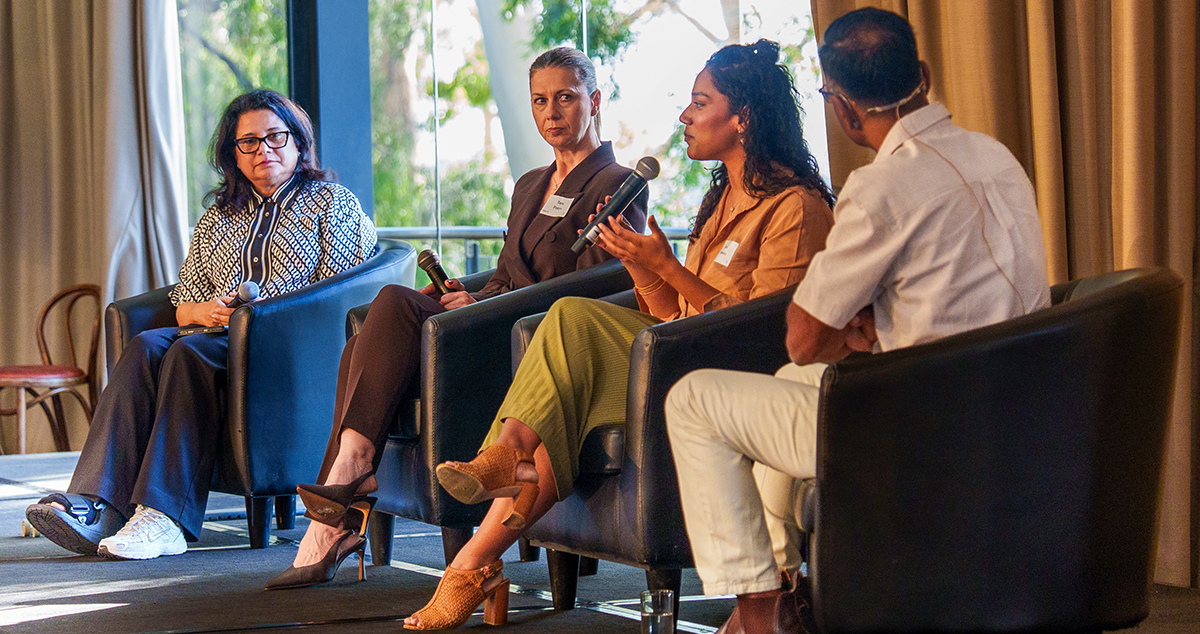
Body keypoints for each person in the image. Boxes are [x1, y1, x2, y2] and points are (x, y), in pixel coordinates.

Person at [402, 39, 837, 631]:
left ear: (743, 119)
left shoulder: (794, 206)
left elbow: (765, 329)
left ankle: (483, 536)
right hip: (672, 357)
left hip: (729, 381)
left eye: (698, 103)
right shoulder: (719, 197)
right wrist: (636, 261)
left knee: (572, 323)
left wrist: (667, 266)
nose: (683, 116)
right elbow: (670, 310)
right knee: (568, 326)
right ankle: (496, 502)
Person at [665, 7, 1052, 634]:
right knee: (788, 382)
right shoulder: (997, 157)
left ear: (842, 109)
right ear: (921, 75)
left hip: (916, 420)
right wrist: (873, 321)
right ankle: (786, 591)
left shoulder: (881, 187)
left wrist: (852, 325)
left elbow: (805, 334)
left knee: (694, 400)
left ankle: (756, 618)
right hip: (1015, 397)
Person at [263, 47, 649, 590]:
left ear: (595, 101)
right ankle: (349, 475)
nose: (552, 112)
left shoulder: (616, 183)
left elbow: (592, 287)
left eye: (566, 97)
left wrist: (489, 305)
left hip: (530, 336)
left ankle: (341, 499)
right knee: (388, 310)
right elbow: (506, 271)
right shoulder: (530, 184)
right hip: (488, 314)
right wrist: (472, 295)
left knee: (393, 311)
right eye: (540, 100)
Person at [25, 89, 378, 560]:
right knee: (148, 344)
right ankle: (96, 504)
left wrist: (255, 317)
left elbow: (342, 297)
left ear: (298, 143)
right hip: (217, 334)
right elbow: (182, 302)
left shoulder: (331, 204)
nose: (264, 150)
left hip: (287, 350)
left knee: (188, 353)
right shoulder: (219, 216)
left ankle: (164, 518)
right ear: (234, 154)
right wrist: (208, 311)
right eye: (248, 142)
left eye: (275, 137)